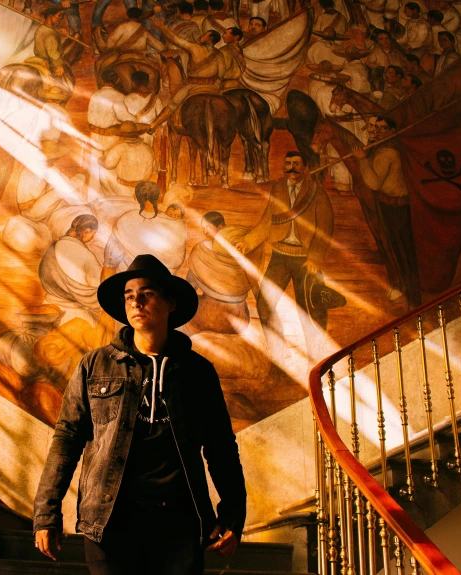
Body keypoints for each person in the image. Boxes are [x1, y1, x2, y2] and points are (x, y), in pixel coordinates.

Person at [33, 252, 247, 575]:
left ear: (170, 303)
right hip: (111, 525)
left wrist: (232, 516)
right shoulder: (96, 365)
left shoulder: (198, 373)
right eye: (130, 296)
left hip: (179, 528)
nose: (136, 303)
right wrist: (46, 513)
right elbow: (67, 438)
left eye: (147, 294)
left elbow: (221, 448)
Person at [236, 152, 334, 363]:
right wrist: (248, 241)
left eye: (296, 164)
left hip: (305, 259)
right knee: (264, 302)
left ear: (305, 167)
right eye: (288, 163)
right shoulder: (278, 188)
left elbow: (325, 228)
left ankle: (316, 356)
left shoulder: (317, 194)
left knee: (310, 307)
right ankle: (278, 351)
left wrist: (315, 258)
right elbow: (267, 222)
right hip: (280, 255)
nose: (292, 168)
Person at [353, 117, 421, 308]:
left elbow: (374, 183)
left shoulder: (388, 152)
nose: (380, 131)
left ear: (392, 131)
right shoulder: (388, 147)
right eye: (378, 128)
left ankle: (414, 300)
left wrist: (363, 160)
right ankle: (411, 297)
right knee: (401, 252)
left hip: (394, 208)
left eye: (384, 128)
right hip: (392, 205)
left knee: (402, 253)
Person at [148, 22, 225, 130]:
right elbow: (221, 75)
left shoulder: (195, 47)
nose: (201, 36)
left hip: (192, 85)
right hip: (212, 87)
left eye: (204, 35)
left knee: (173, 103)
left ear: (210, 38)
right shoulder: (219, 54)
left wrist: (161, 27)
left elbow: (175, 39)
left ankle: (153, 125)